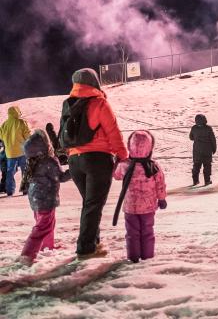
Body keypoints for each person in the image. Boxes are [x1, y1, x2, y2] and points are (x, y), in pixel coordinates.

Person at [65, 68, 128, 259]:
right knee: (93, 205)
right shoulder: (99, 103)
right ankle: (86, 249)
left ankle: (93, 243)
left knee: (90, 204)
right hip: (97, 160)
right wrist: (123, 156)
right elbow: (113, 132)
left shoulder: (69, 104)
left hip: (74, 161)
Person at [112, 130, 167, 263]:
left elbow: (116, 176)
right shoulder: (154, 166)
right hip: (148, 207)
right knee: (147, 232)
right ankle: (147, 256)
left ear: (130, 146)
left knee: (132, 233)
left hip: (130, 207)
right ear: (150, 148)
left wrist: (116, 162)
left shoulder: (125, 165)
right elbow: (160, 184)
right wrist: (161, 198)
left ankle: (133, 257)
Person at [20, 130, 71, 264]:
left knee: (47, 223)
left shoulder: (32, 161)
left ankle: (47, 247)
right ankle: (27, 254)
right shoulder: (49, 161)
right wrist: (73, 170)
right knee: (43, 227)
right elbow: (61, 177)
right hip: (46, 199)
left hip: (35, 199)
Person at [0, 106, 31, 195]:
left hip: (10, 152)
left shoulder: (4, 124)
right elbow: (27, 136)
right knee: (24, 170)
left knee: (10, 171)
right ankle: (25, 190)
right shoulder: (21, 122)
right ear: (17, 112)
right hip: (22, 151)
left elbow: (1, 136)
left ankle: (10, 191)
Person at [189, 114, 217, 186]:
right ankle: (207, 180)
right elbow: (213, 139)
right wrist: (214, 148)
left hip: (197, 150)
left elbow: (191, 137)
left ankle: (195, 181)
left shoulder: (194, 128)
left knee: (196, 165)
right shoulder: (208, 128)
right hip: (207, 150)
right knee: (207, 165)